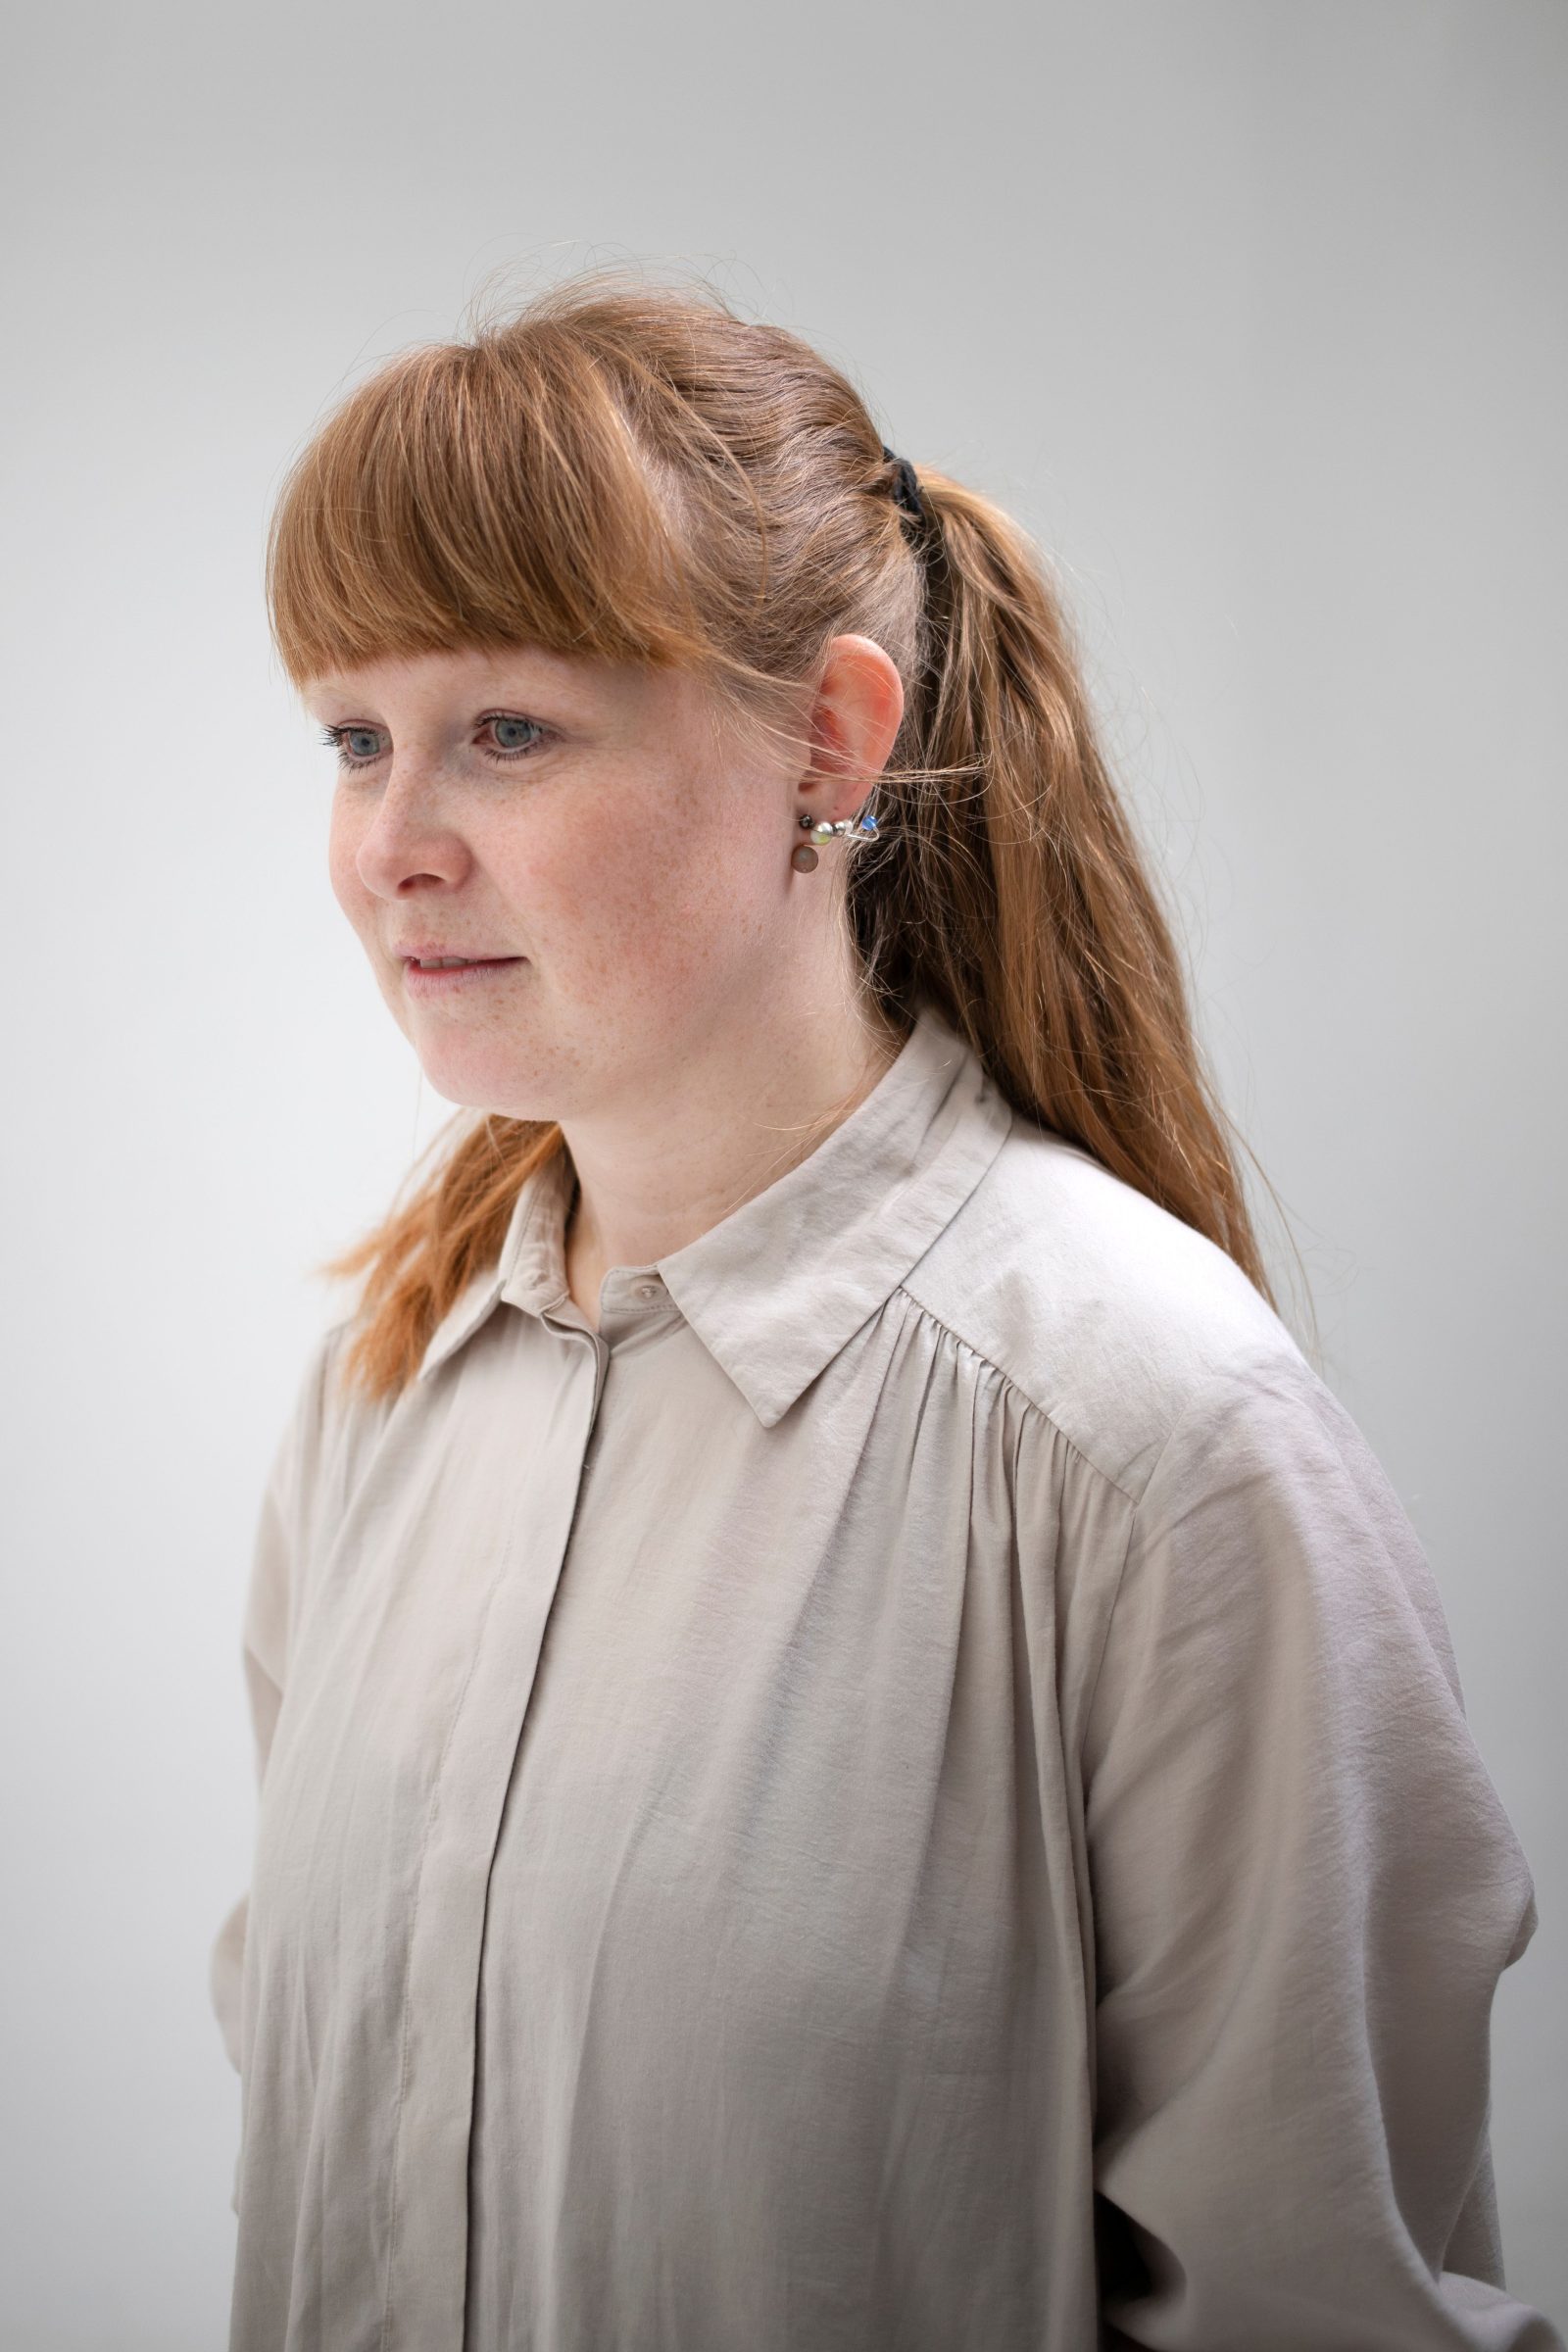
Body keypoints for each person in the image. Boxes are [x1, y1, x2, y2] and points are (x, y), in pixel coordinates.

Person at [209, 266, 1560, 2352]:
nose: (391, 846)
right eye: (354, 740)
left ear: (830, 744)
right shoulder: (382, 1397)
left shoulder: (1155, 1440)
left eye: (506, 732)